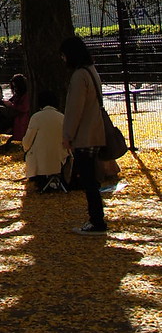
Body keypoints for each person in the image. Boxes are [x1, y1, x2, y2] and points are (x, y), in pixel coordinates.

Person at [61, 36, 107, 234]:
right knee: (90, 179)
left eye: (63, 55)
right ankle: (97, 219)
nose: (63, 59)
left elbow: (74, 109)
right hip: (95, 131)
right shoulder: (92, 71)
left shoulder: (79, 76)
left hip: (84, 135)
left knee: (88, 181)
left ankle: (97, 221)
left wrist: (67, 135)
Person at [22, 90, 67, 189]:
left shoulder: (36, 117)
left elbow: (27, 141)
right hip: (58, 159)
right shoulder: (62, 117)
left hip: (40, 160)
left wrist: (25, 149)